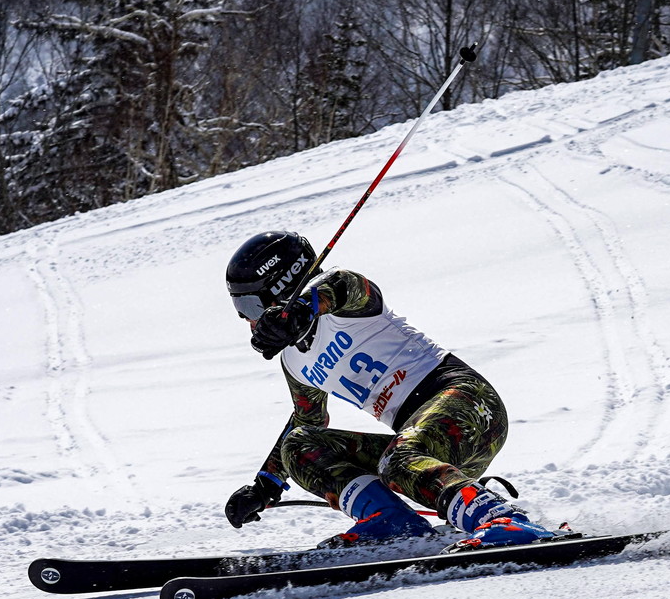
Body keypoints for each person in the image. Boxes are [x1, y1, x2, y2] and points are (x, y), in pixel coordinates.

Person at [223, 230, 553, 550]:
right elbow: (306, 420)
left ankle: (503, 519)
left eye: (251, 308)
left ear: (281, 285)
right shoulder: (294, 360)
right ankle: (391, 522)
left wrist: (299, 310)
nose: (250, 322)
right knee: (299, 446)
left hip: (468, 404)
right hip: (424, 448)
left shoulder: (345, 299)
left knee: (398, 457)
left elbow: (341, 286)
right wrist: (265, 485)